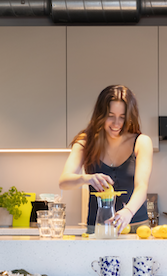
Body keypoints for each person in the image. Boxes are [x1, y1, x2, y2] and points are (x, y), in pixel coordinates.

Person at [60, 85, 153, 233]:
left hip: (135, 227)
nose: (116, 123)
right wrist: (87, 178)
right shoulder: (85, 142)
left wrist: (128, 212)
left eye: (122, 117)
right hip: (97, 229)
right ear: (100, 115)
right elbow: (64, 182)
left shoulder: (141, 142)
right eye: (110, 116)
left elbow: (142, 186)